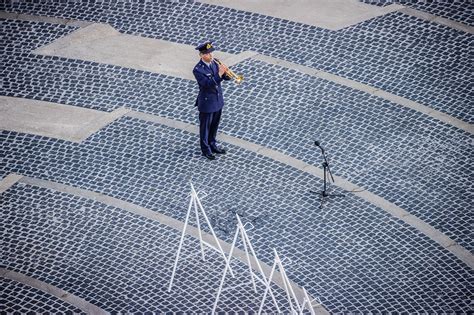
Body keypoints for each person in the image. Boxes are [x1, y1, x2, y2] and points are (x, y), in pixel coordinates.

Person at [193, 41, 231, 160]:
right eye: (208, 54)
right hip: (207, 103)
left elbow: (221, 77)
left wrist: (226, 74)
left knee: (214, 125)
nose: (211, 55)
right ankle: (206, 149)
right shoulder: (198, 70)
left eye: (211, 53)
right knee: (205, 127)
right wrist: (219, 75)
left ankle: (213, 144)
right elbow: (207, 84)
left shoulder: (214, 63)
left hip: (217, 100)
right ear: (201, 55)